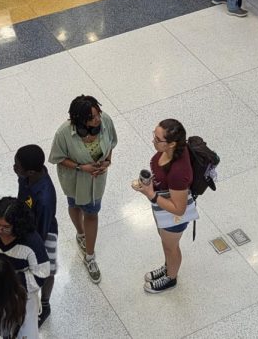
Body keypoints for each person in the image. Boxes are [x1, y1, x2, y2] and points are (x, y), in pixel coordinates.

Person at [49, 94, 117, 284]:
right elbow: (57, 157)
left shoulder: (106, 121)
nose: (98, 119)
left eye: (98, 114)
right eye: (92, 118)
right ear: (79, 120)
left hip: (96, 182)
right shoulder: (63, 133)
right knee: (74, 204)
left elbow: (111, 142)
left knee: (92, 213)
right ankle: (80, 233)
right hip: (74, 181)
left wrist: (108, 161)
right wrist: (81, 167)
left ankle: (90, 256)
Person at [131, 119, 194, 294]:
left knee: (170, 247)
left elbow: (179, 209)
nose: (153, 141)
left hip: (173, 218)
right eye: (154, 135)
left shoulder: (178, 172)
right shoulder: (172, 151)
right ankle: (168, 267)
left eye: (158, 140)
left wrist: (150, 194)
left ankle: (171, 278)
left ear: (172, 144)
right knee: (166, 244)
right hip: (162, 208)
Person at [0, 197, 48, 338]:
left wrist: (9, 282)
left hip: (21, 294)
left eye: (6, 227)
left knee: (27, 333)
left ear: (17, 225)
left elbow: (41, 274)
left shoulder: (32, 242)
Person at [14, 145, 58, 325]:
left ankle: (45, 304)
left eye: (17, 166)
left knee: (48, 270)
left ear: (30, 171)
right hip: (25, 228)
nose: (14, 168)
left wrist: (31, 251)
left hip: (44, 234)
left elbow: (42, 230)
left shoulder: (45, 197)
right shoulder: (25, 177)